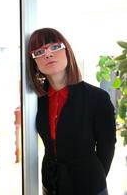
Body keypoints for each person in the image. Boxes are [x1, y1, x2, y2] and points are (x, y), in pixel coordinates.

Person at [28, 27, 116, 195]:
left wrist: (92, 177)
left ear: (67, 51)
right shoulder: (36, 101)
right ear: (35, 63)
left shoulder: (97, 98)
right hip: (50, 184)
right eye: (39, 52)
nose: (48, 54)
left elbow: (107, 148)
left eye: (54, 47)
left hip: (88, 186)